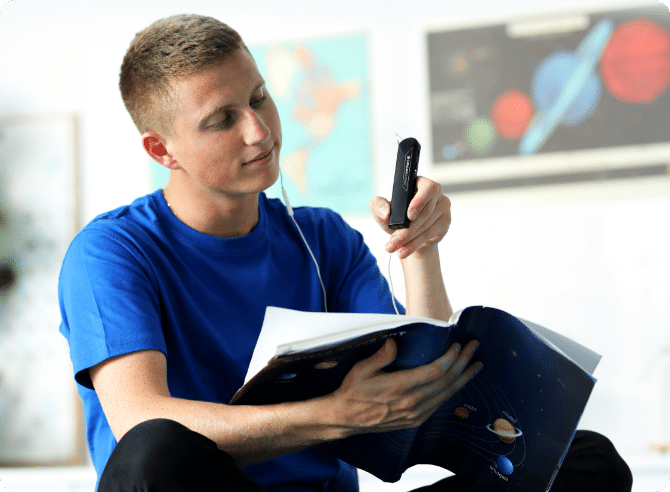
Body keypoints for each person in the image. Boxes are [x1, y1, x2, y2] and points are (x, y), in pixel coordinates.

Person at [58, 14, 633, 492]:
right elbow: (140, 419)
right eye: (222, 120)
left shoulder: (325, 237)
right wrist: (335, 417)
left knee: (587, 462)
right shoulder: (112, 252)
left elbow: (420, 377)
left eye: (259, 98)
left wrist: (420, 249)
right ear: (163, 150)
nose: (259, 132)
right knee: (152, 454)